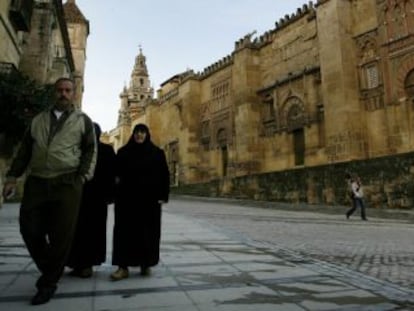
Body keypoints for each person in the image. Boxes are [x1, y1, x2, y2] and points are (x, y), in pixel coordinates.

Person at [1, 77, 97, 305]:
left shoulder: (83, 121)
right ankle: (51, 266)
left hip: (67, 182)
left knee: (61, 235)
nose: (63, 94)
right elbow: (25, 150)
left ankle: (48, 283)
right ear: (54, 93)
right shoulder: (38, 120)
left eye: (67, 90)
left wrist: (82, 177)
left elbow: (90, 151)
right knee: (29, 228)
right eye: (59, 90)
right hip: (37, 180)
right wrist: (12, 177)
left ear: (73, 94)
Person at [111, 123, 170, 280]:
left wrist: (163, 196)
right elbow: (115, 176)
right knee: (124, 233)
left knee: (147, 233)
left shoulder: (157, 153)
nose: (139, 135)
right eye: (137, 132)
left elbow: (164, 175)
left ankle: (146, 264)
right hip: (127, 202)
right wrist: (115, 194)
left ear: (147, 134)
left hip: (148, 202)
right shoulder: (123, 153)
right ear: (133, 134)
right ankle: (123, 267)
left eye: (142, 132)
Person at [66, 122, 116, 278]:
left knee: (93, 232)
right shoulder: (78, 150)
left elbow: (112, 175)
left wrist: (110, 195)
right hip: (79, 196)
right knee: (76, 231)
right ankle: (76, 264)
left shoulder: (106, 151)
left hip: (97, 199)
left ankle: (88, 265)